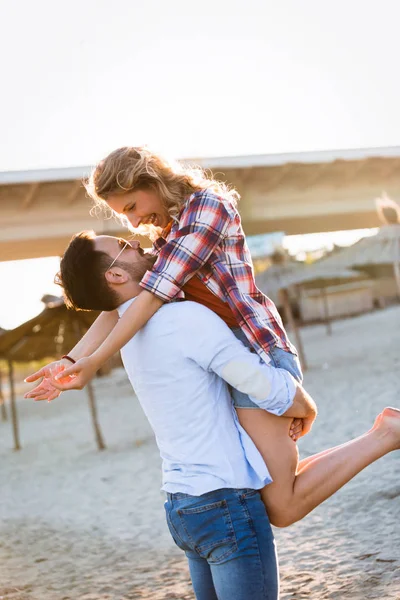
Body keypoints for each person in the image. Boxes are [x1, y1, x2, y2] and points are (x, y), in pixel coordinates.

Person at [29, 231, 400, 599]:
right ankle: (384, 436)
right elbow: (263, 385)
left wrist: (72, 360)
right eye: (125, 246)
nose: (138, 242)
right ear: (115, 275)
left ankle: (383, 436)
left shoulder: (129, 338)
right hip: (226, 505)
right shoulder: (183, 319)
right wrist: (306, 406)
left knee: (283, 505)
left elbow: (116, 312)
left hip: (181, 507)